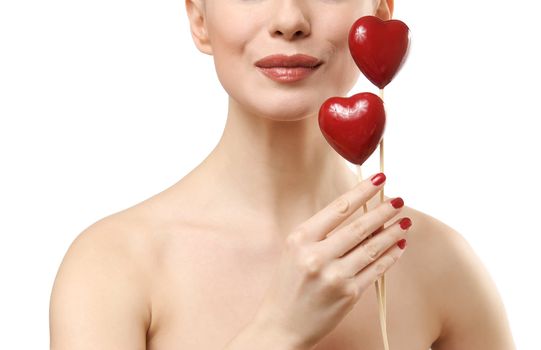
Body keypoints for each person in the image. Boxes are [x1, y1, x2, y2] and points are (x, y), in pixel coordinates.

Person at [49, 0, 516, 349]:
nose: (290, 19)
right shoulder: (111, 266)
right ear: (199, 19)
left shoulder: (442, 265)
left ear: (379, 10)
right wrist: (280, 328)